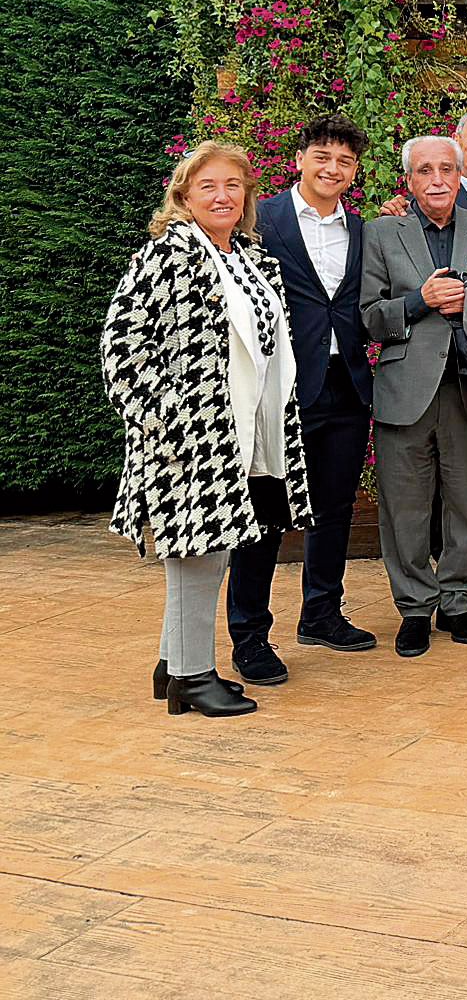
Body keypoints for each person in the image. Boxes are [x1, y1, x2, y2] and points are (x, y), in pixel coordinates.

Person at [102, 141, 311, 717]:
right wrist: (163, 422)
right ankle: (194, 677)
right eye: (207, 187)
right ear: (184, 197)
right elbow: (121, 347)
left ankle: (173, 664)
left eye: (232, 186)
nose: (222, 196)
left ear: (245, 196)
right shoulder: (166, 255)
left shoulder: (249, 257)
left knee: (206, 552)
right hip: (188, 437)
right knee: (199, 555)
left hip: (245, 431)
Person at [225, 115, 378, 687]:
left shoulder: (363, 230)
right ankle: (250, 637)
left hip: (347, 385)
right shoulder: (259, 219)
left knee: (334, 510)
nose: (332, 168)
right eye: (322, 156)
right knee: (265, 515)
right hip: (278, 390)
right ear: (299, 160)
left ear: (353, 172)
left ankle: (321, 614)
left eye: (343, 161)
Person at [362, 135, 467, 657]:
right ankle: (413, 607)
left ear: (459, 176)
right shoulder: (382, 232)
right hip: (405, 388)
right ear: (408, 180)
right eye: (425, 171)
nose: (437, 180)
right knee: (404, 507)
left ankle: (457, 601)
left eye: (446, 170)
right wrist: (418, 301)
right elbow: (367, 317)